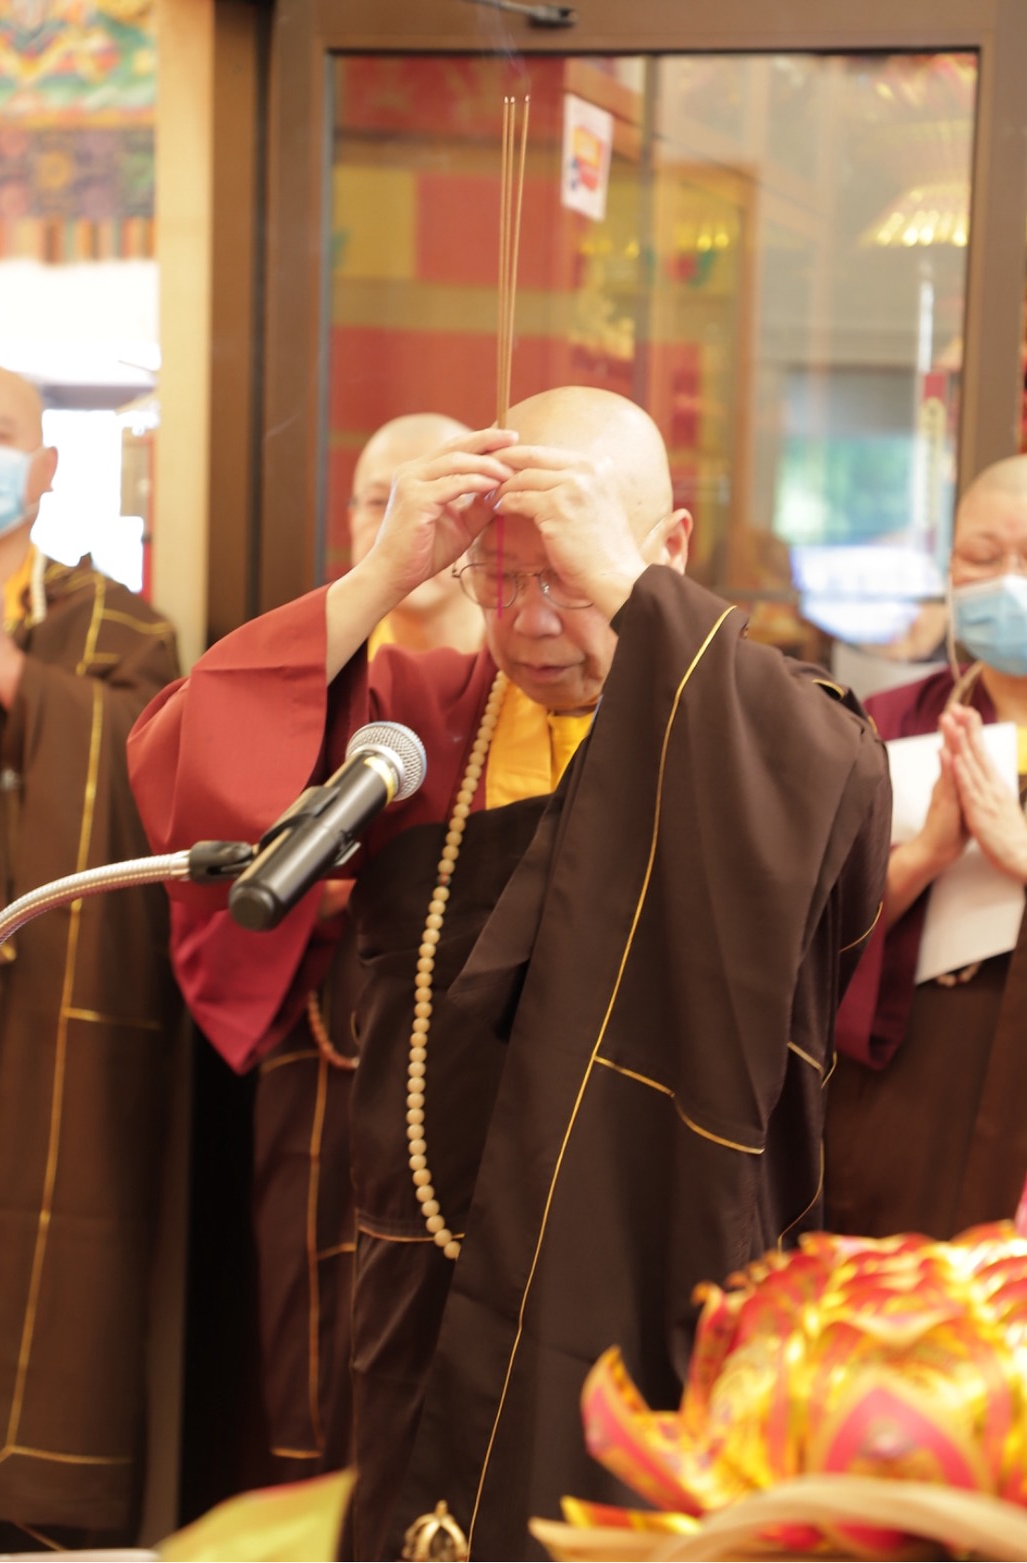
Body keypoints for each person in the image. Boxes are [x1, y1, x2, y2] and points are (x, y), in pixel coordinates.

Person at [128, 385, 890, 1562]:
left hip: (666, 1273)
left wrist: (629, 596)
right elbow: (189, 778)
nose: (530, 623)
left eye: (567, 580)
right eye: (499, 578)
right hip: (430, 1282)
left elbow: (834, 798)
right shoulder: (425, 722)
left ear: (668, 547)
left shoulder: (756, 726)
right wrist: (384, 574)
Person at [248, 411, 485, 1486]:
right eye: (376, 499)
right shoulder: (323, 667)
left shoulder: (516, 670)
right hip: (324, 1030)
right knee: (314, 1316)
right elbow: (221, 826)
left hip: (472, 1046)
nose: (400, 516)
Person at [0, 360, 181, 1551]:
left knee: (50, 1290)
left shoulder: (120, 627)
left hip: (49, 1024)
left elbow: (151, 787)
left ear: (47, 466)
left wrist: (8, 673)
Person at [825, 453, 1027, 1242]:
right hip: (907, 1087)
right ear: (948, 571)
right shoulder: (883, 723)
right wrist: (922, 857)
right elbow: (807, 932)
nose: (1008, 580)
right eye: (982, 556)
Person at [347, 412, 485, 657]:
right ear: (352, 519)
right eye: (379, 502)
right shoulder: (333, 663)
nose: (403, 525)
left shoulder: (527, 664)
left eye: (439, 499)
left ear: (486, 524)